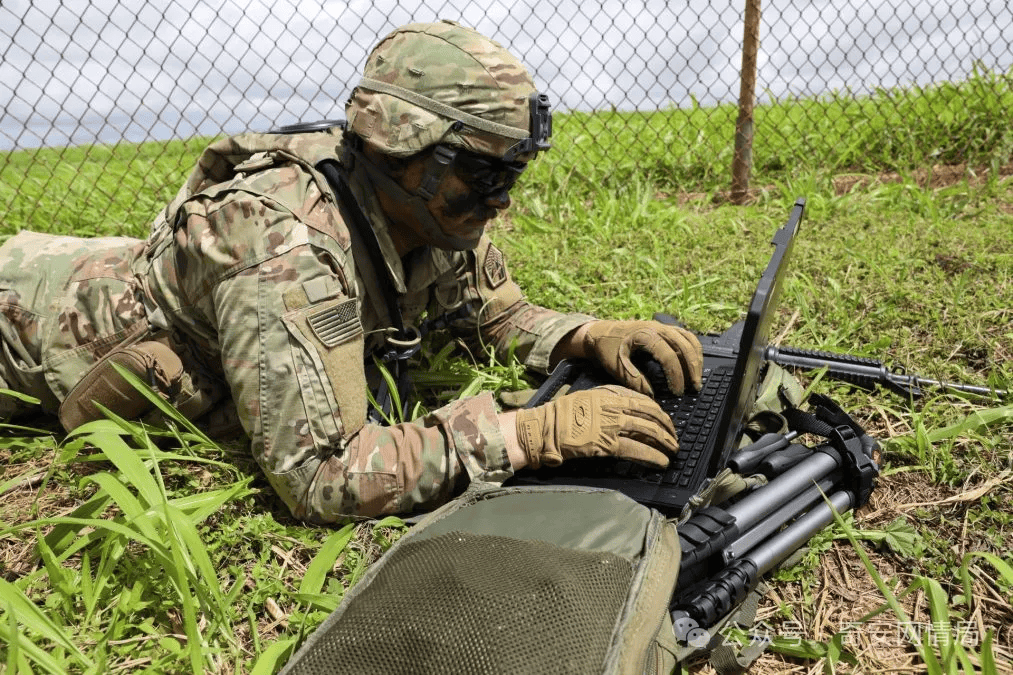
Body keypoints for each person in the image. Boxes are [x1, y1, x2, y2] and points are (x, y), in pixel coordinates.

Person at [0, 20, 702, 522]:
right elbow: (319, 477)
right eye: (486, 170)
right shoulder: (283, 242)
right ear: (405, 148)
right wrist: (528, 433)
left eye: (513, 170)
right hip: (22, 313)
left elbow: (497, 313)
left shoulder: (430, 212)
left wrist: (587, 333)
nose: (503, 195)